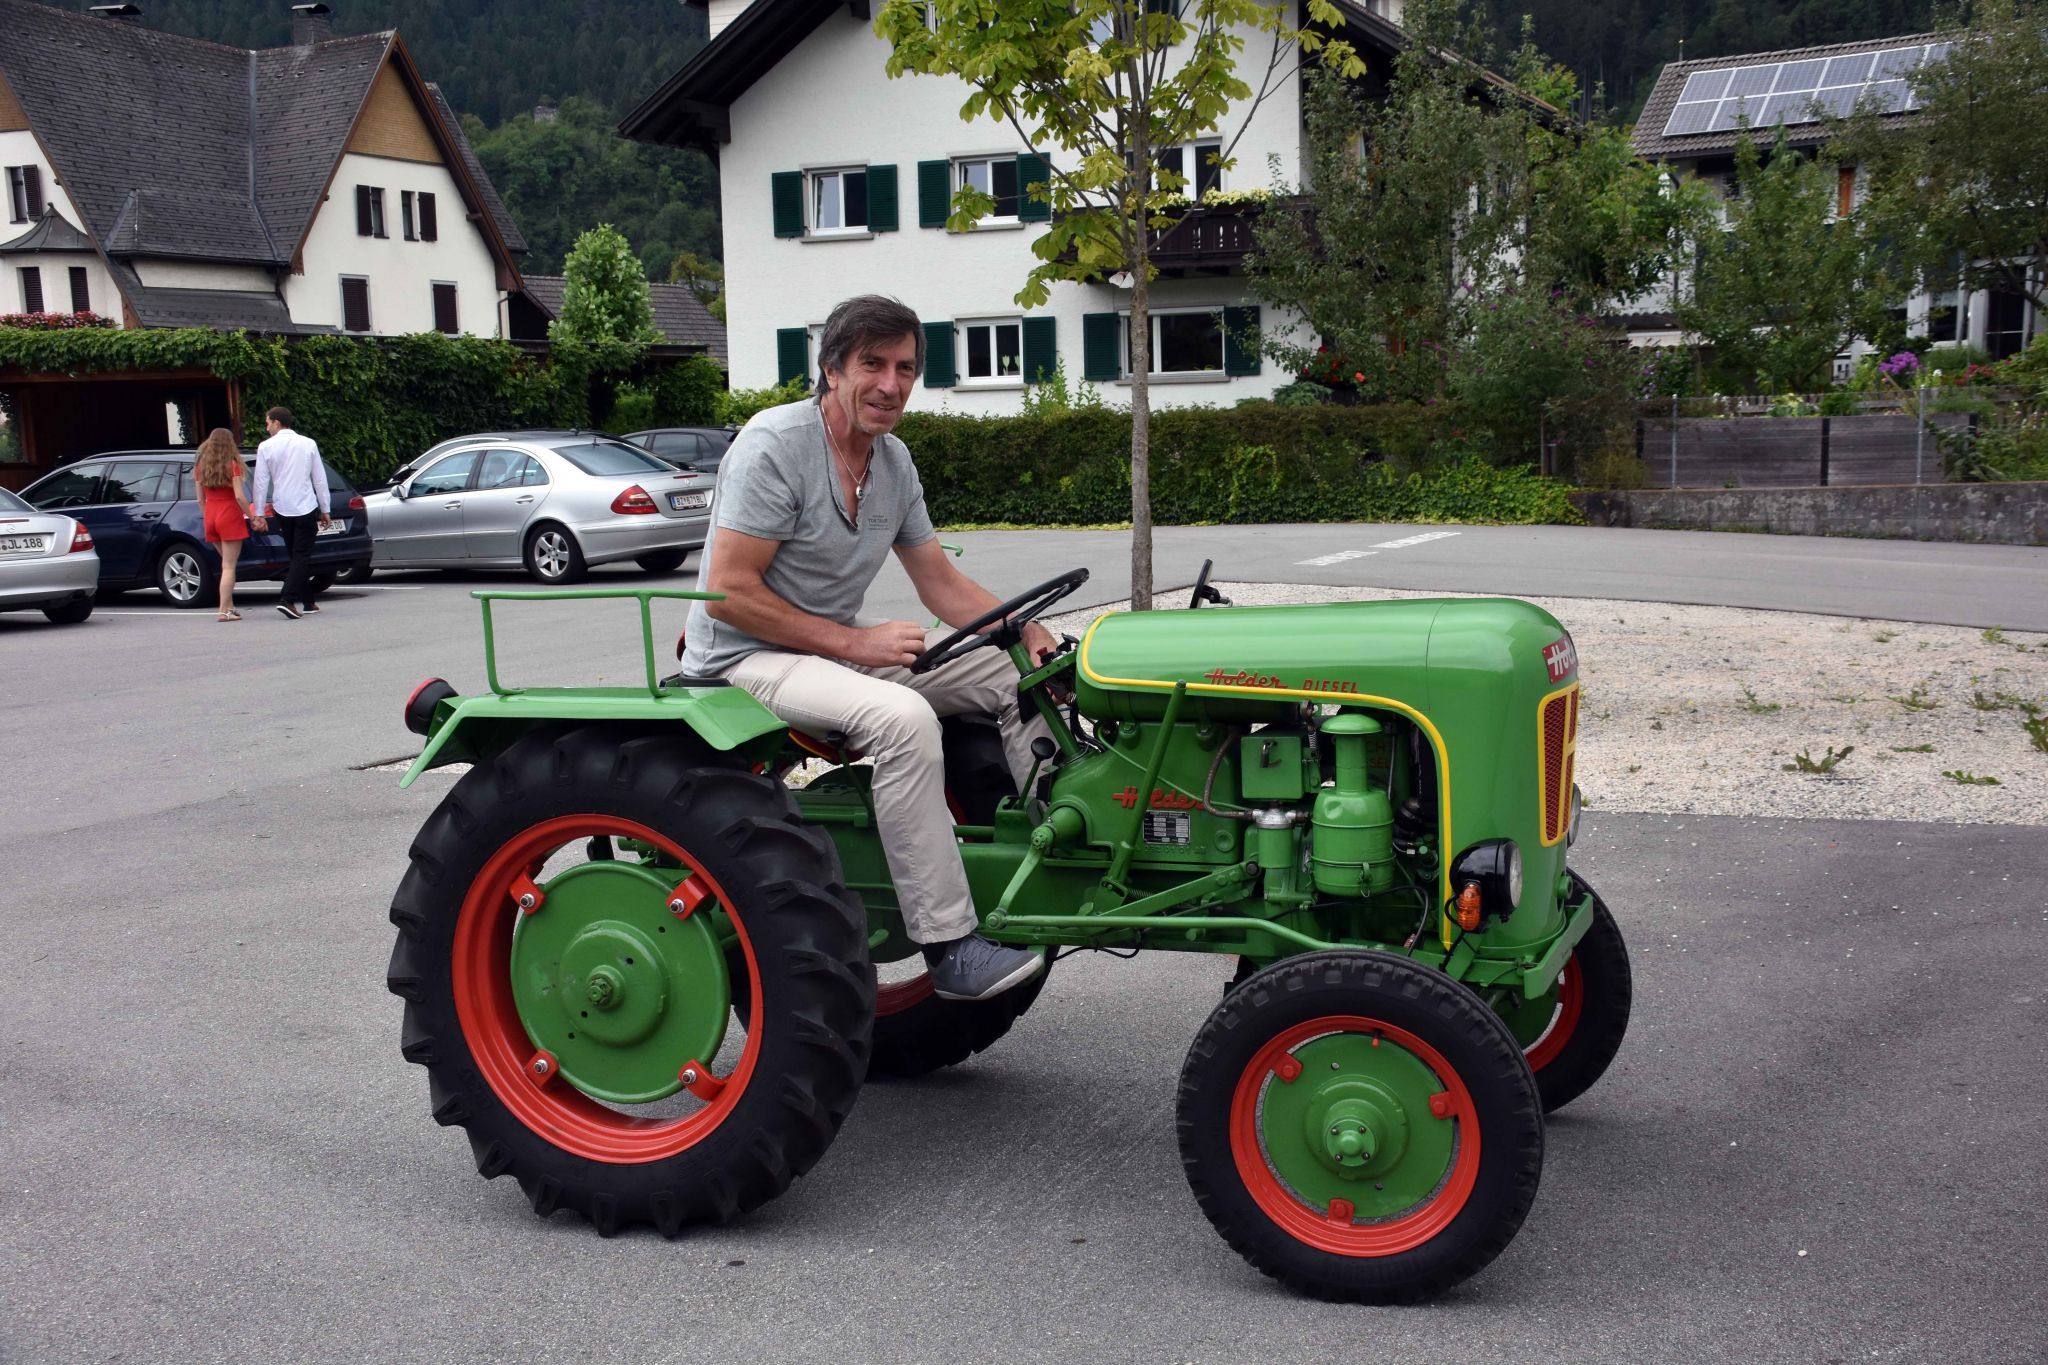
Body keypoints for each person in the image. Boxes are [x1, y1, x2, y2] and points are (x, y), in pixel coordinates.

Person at [682, 295, 1053, 1003]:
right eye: (872, 364)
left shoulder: (893, 461)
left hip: (828, 654)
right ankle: (949, 944)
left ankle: (1055, 857)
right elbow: (729, 591)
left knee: (1027, 670)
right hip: (744, 656)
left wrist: (1021, 628)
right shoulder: (775, 444)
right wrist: (857, 641)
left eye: (906, 367)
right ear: (831, 370)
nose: (891, 383)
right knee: (902, 719)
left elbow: (939, 583)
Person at [248, 405, 331, 620]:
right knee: (301, 555)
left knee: (295, 555)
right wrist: (326, 509)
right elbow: (319, 479)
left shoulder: (265, 447)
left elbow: (260, 482)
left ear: (277, 422)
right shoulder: (308, 443)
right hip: (305, 505)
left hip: (282, 507)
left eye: (267, 423)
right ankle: (288, 598)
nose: (266, 428)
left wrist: (258, 512)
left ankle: (308, 600)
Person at [193, 428, 252, 621]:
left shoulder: (201, 467)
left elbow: (200, 500)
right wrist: (252, 517)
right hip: (229, 515)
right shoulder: (232, 465)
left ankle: (230, 606)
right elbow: (239, 496)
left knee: (225, 564)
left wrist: (208, 516)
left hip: (211, 514)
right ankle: (223, 610)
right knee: (229, 566)